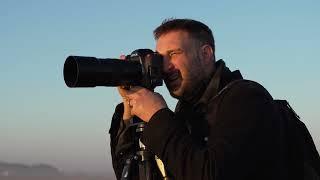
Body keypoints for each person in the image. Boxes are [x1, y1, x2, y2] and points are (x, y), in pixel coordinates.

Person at [109, 18, 290, 180]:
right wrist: (129, 113)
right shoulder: (187, 112)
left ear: (205, 54)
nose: (165, 67)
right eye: (161, 58)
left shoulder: (247, 98)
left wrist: (158, 116)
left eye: (173, 54)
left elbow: (211, 173)